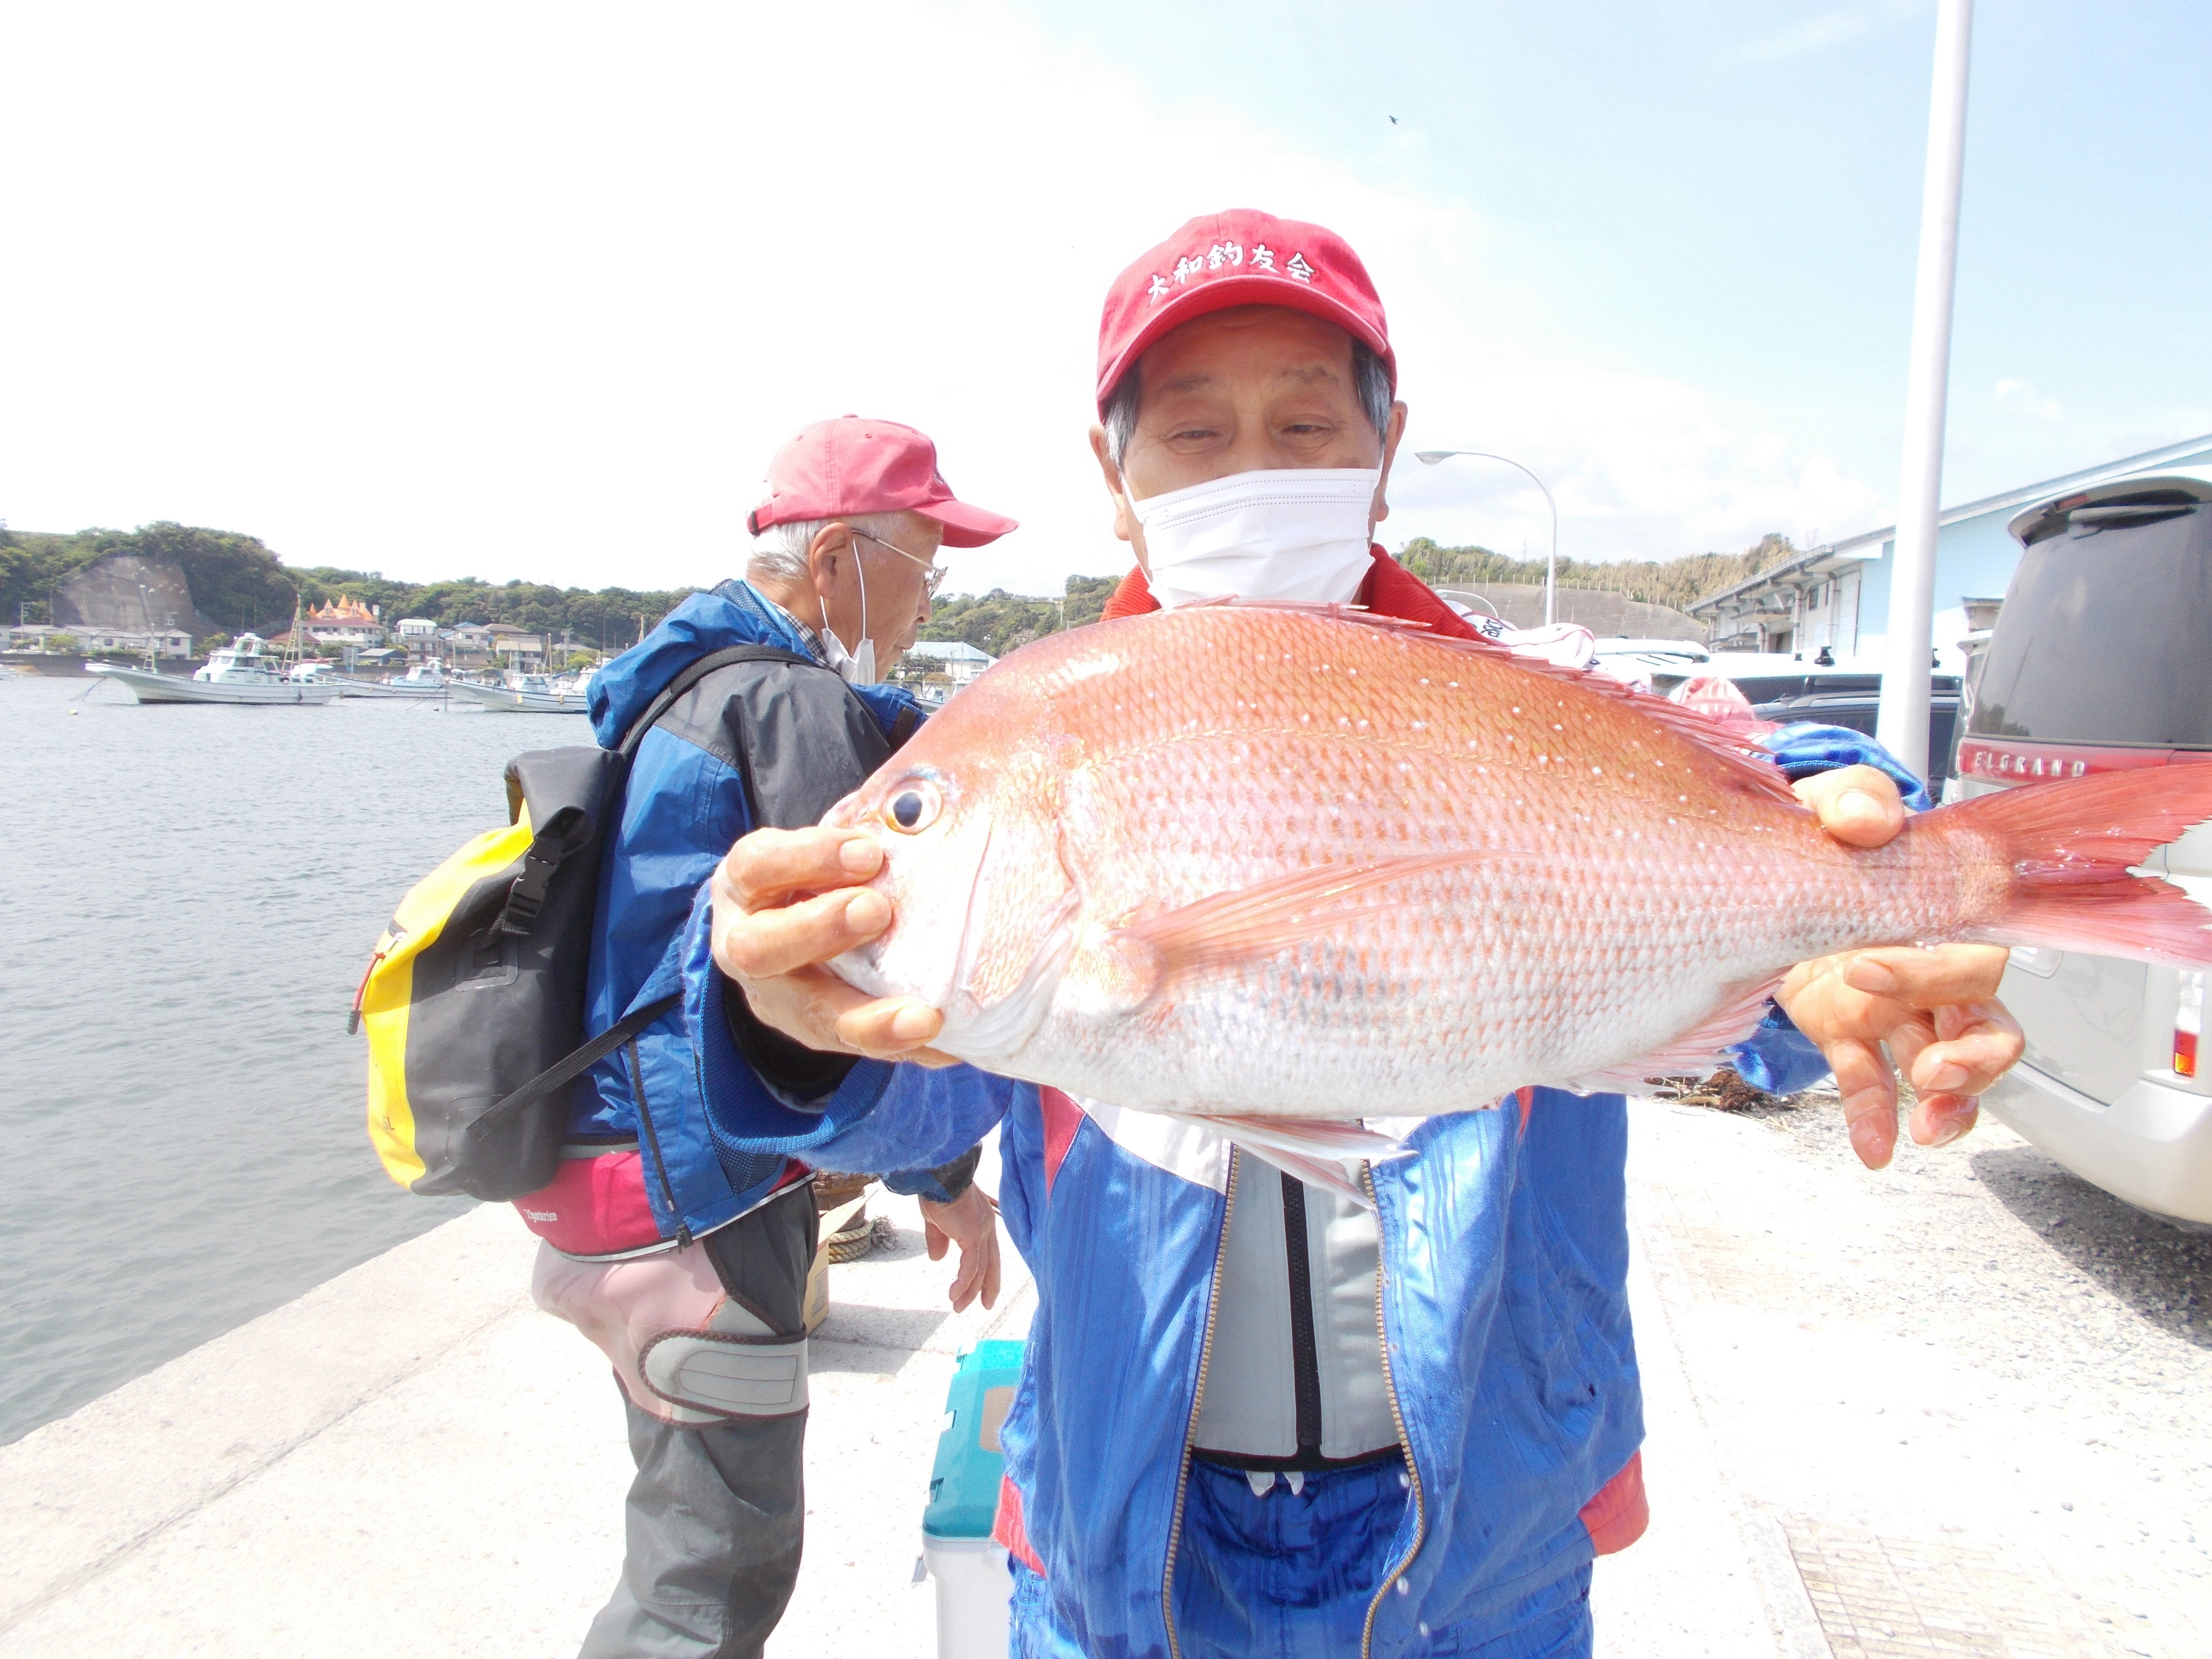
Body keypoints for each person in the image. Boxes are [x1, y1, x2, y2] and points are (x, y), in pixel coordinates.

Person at [687, 215, 2026, 1656]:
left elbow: (1739, 835)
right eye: (1195, 431)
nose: (1252, 469)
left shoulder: (1533, 705)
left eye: (1307, 423)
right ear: (1112, 476)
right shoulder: (1042, 728)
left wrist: (1850, 907)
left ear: (1385, 451)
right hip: (1118, 1541)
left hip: (1480, 1549)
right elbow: (903, 1105)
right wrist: (780, 1016)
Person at [524, 415, 1022, 1659]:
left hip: (608, 1175)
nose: (928, 595)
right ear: (843, 556)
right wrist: (953, 1179)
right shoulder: (793, 708)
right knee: (707, 1589)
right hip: (702, 1204)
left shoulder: (678, 688)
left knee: (691, 1549)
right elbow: (855, 1000)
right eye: (924, 560)